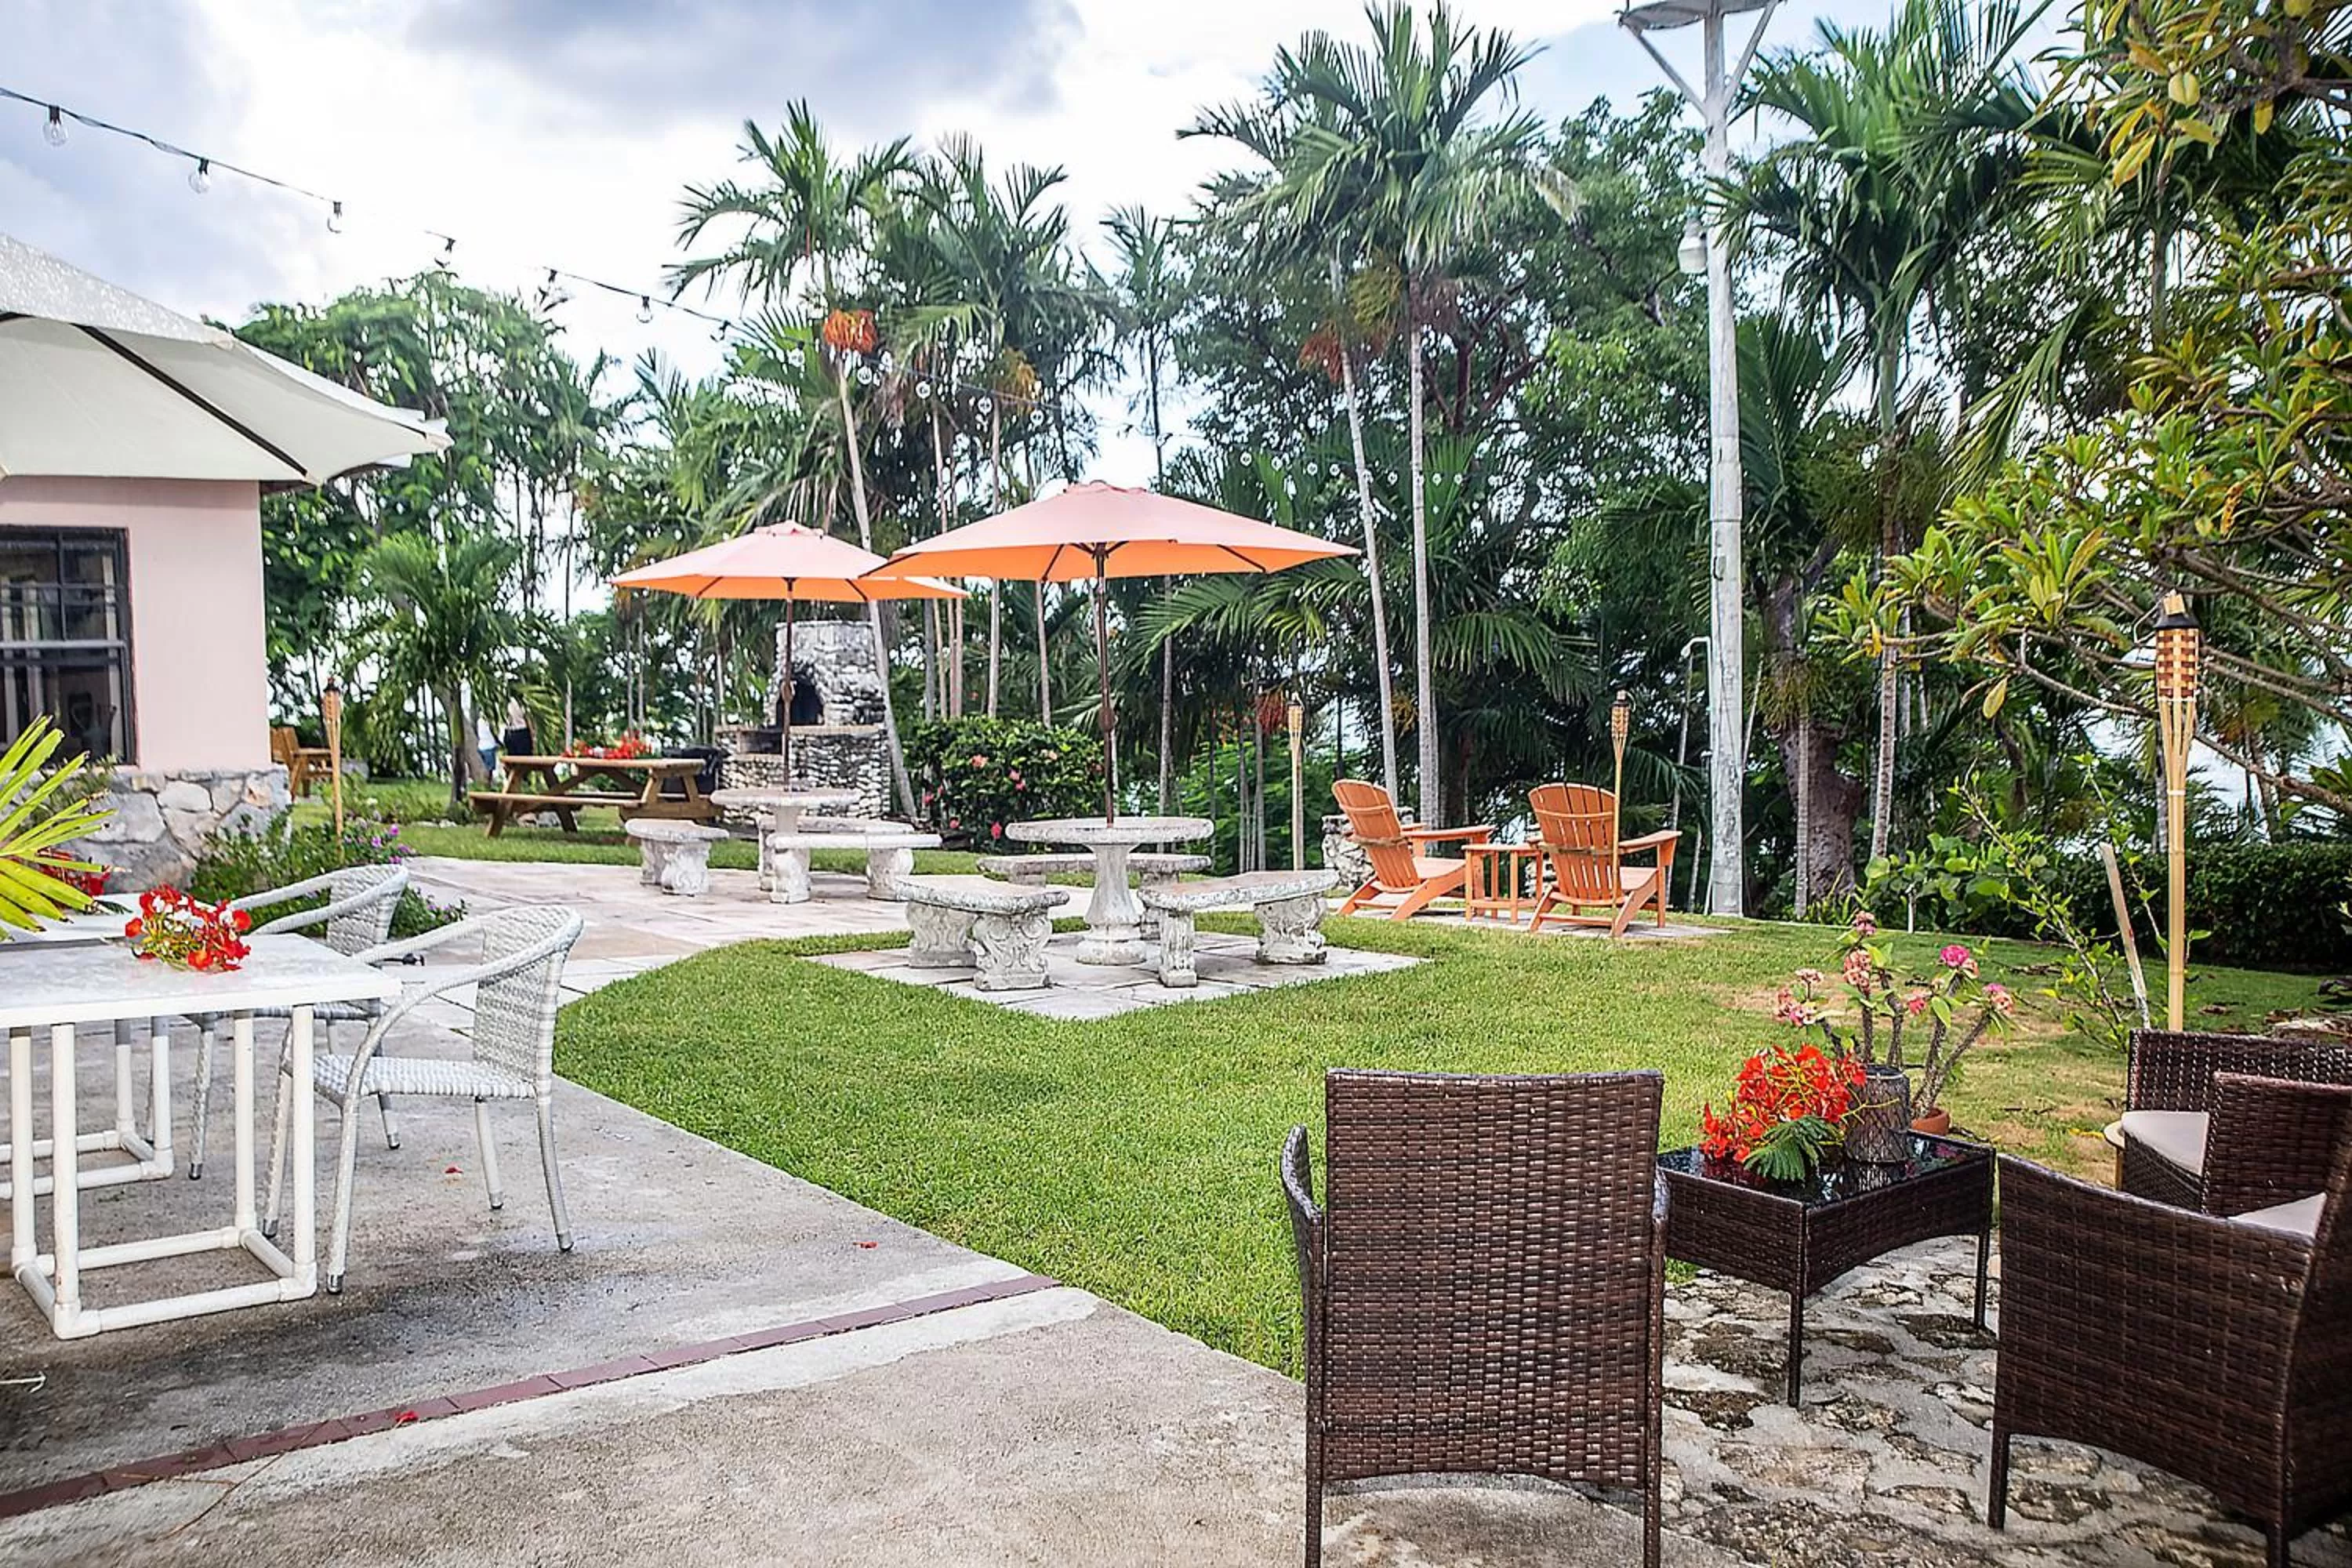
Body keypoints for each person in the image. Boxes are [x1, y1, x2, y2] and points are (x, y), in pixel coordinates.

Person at [501, 691, 535, 760]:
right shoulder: (523, 703)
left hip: (510, 733)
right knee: (525, 760)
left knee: (513, 760)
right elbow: (528, 720)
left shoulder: (506, 702)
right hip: (522, 733)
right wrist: (533, 738)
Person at [476, 713, 498, 779]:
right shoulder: (488, 722)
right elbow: (493, 732)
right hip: (489, 746)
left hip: (482, 746)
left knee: (486, 767)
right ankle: (488, 781)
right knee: (490, 768)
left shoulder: (479, 721)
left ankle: (487, 780)